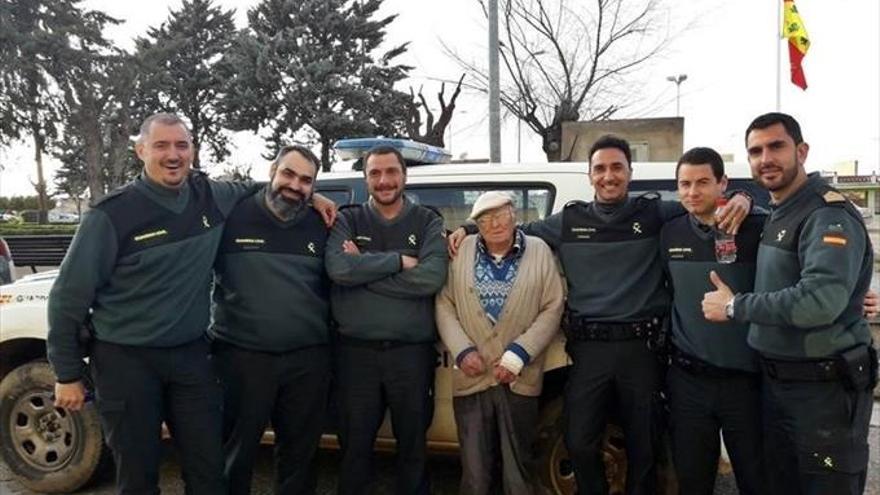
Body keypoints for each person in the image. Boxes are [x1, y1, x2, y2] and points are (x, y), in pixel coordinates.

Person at [47, 113, 335, 494]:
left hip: (190, 358)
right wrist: (67, 373)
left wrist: (311, 195)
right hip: (126, 360)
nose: (173, 155)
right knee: (139, 473)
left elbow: (268, 189)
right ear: (141, 150)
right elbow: (69, 295)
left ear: (192, 151)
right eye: (161, 145)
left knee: (208, 470)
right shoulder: (111, 214)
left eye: (181, 145)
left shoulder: (211, 197)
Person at [448, 135, 751, 494]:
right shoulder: (569, 221)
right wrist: (469, 226)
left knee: (645, 446)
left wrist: (742, 198)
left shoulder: (655, 212)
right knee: (578, 441)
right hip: (589, 349)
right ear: (590, 176)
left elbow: (700, 207)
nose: (609, 176)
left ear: (629, 172)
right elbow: (511, 232)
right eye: (600, 169)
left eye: (616, 167)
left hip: (642, 349)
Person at [703, 112, 877, 495]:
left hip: (823, 390)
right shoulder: (779, 210)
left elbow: (820, 301)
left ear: (801, 151)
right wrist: (745, 198)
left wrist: (736, 307)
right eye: (756, 150)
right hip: (778, 384)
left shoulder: (826, 213)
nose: (766, 158)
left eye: (776, 146)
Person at [325, 145, 448, 495]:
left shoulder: (427, 220)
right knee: (355, 446)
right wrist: (399, 261)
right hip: (355, 354)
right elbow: (338, 268)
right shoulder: (348, 219)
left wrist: (364, 265)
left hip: (410, 354)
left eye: (391, 172)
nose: (384, 180)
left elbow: (431, 278)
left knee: (412, 446)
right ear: (365, 179)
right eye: (375, 173)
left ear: (405, 176)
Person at [209, 145, 331, 494]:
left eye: (306, 181)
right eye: (288, 174)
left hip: (307, 360)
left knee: (300, 458)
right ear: (272, 171)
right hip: (242, 358)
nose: (295, 185)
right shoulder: (231, 216)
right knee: (236, 454)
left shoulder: (322, 224)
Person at [435, 191, 564, 495]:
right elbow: (444, 304)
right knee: (476, 474)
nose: (494, 223)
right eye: (484, 218)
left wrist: (517, 356)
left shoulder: (539, 250)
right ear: (475, 224)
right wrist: (463, 351)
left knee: (518, 471)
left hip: (519, 377)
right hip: (472, 375)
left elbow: (553, 306)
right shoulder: (461, 250)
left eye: (501, 214)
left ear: (514, 214)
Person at [660, 147, 766, 494]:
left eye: (703, 182)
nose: (692, 192)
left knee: (756, 477)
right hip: (688, 380)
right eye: (685, 184)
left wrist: (747, 198)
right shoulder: (670, 232)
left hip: (747, 381)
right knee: (693, 480)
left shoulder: (758, 228)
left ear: (723, 183)